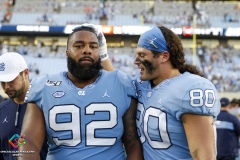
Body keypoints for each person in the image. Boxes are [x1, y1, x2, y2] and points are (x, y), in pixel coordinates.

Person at [18, 25, 143, 160]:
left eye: (93, 46)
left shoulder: (120, 82)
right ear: (67, 53)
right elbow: (27, 141)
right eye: (79, 46)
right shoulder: (44, 85)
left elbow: (133, 143)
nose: (87, 51)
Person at [132, 26, 220, 159]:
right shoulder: (140, 85)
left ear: (164, 56)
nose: (136, 61)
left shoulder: (192, 87)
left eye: (142, 55)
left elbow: (203, 154)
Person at [0, 52, 48, 160]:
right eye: (2, 82)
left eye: (11, 80)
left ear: (26, 73)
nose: (6, 86)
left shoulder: (46, 107)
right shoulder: (1, 110)